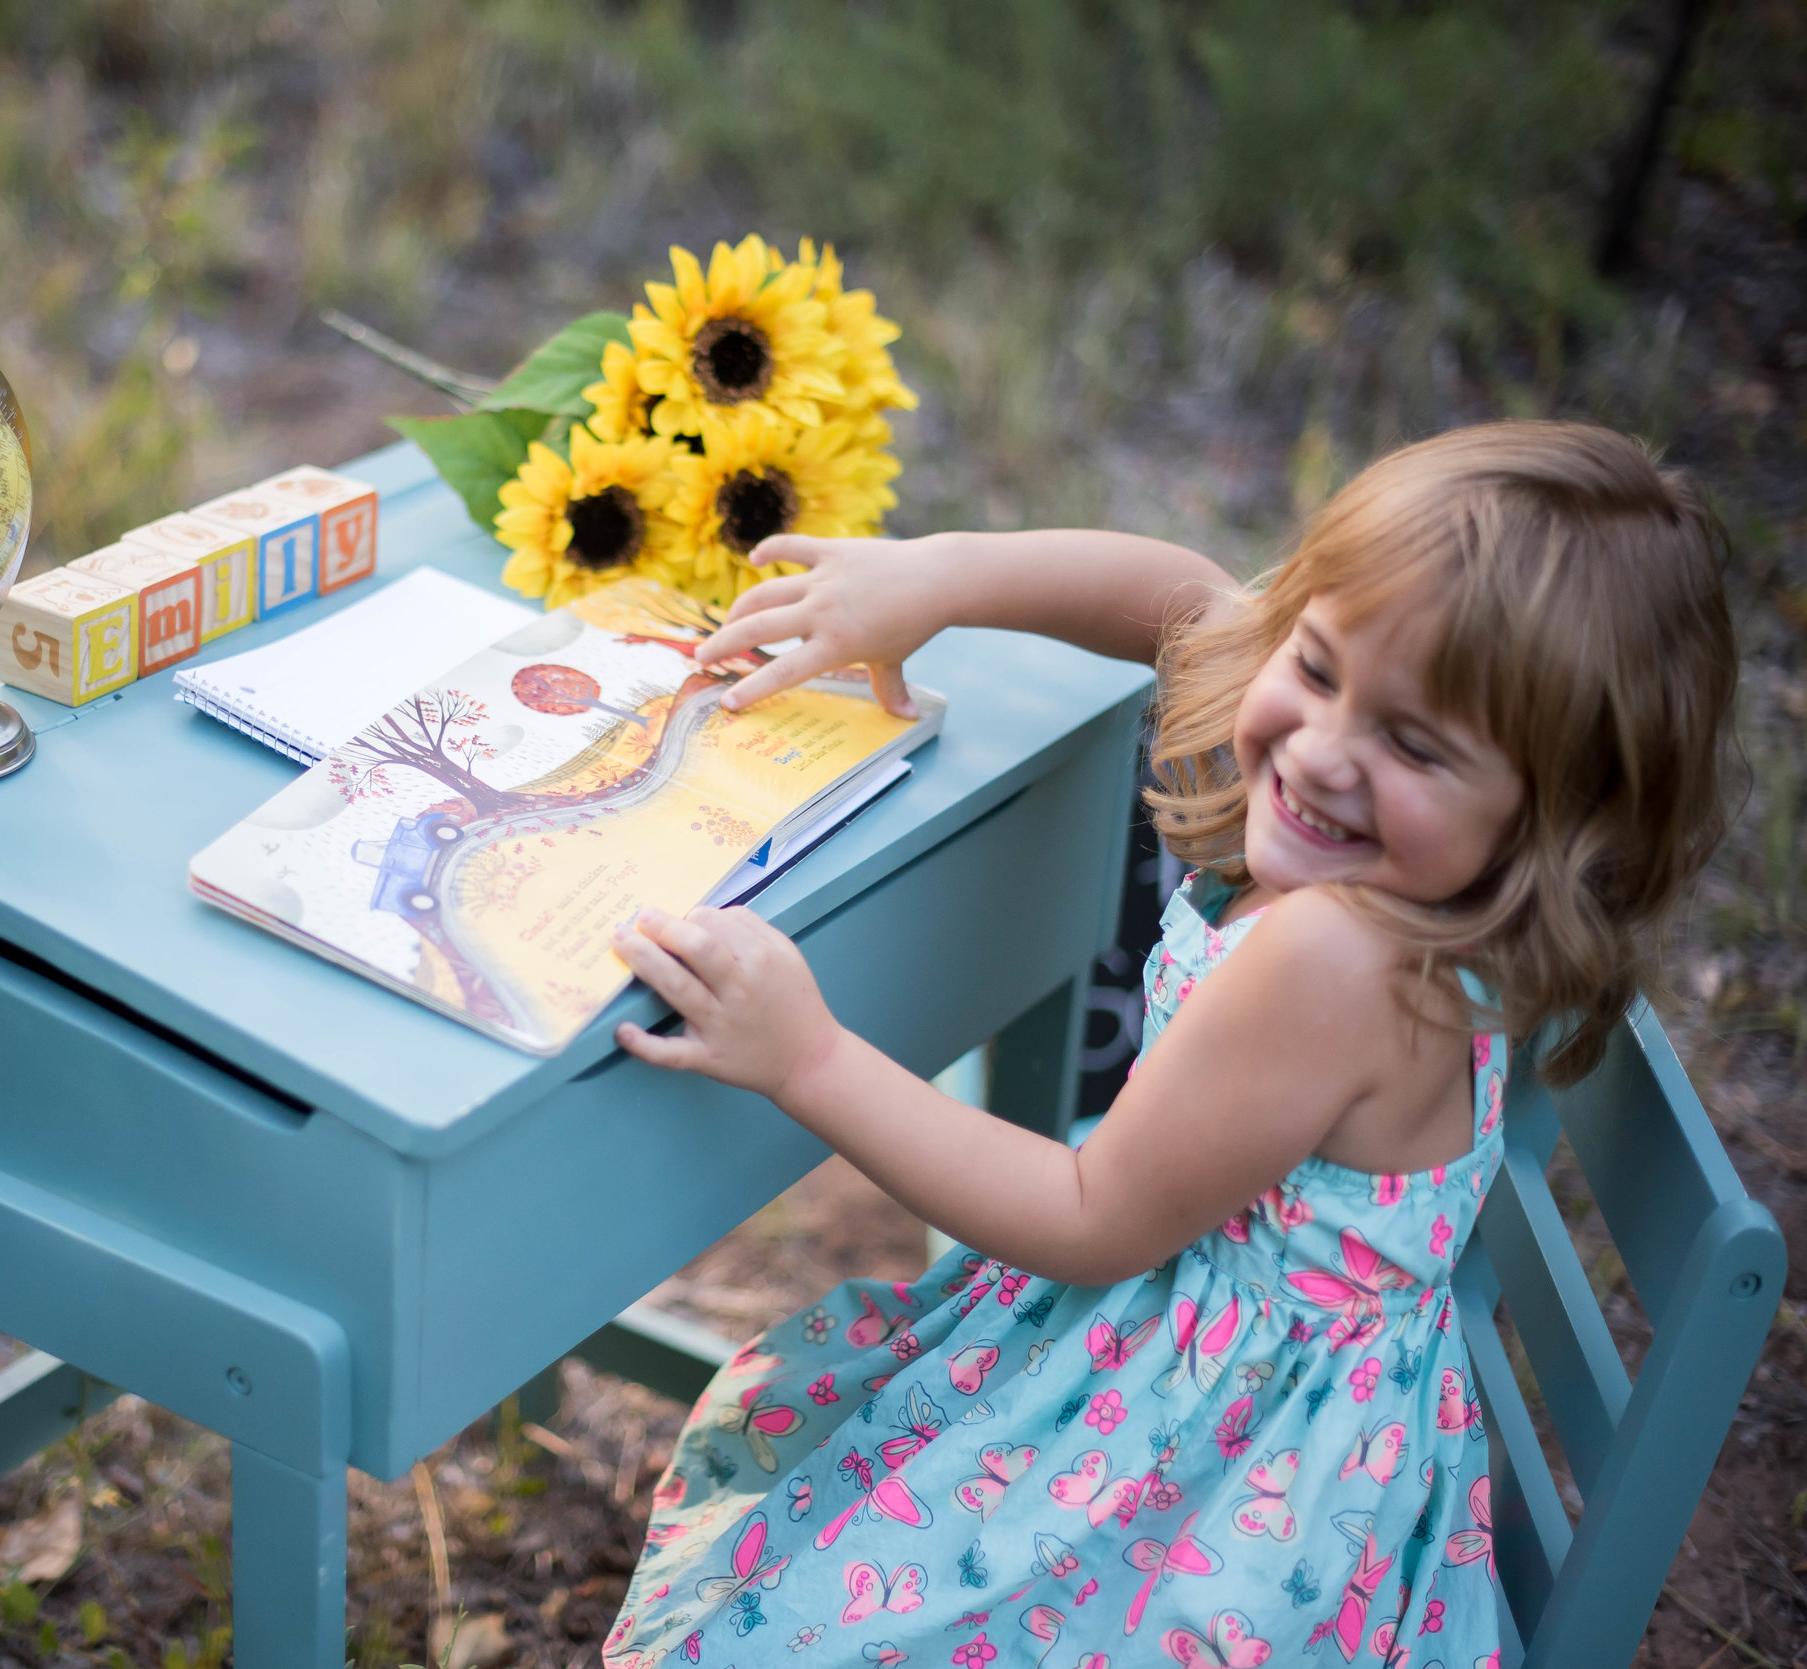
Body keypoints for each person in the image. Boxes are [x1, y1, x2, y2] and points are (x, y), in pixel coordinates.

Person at [599, 422, 1735, 1667]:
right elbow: (1185, 596)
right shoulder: (1416, 876)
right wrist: (932, 574)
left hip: (1196, 1493)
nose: (1316, 748)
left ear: (1552, 823)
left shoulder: (1341, 960)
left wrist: (806, 1056)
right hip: (1220, 1395)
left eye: (1412, 745)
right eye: (1314, 662)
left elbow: (1089, 1212)